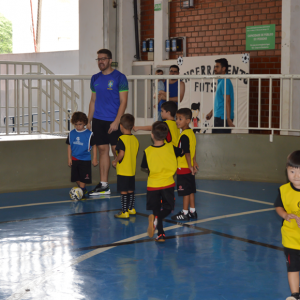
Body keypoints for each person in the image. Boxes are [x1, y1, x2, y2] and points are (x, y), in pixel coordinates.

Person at [87, 49, 128, 196]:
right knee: (103, 150)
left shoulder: (120, 77)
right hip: (98, 120)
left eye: (103, 59)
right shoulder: (95, 78)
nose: (100, 62)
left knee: (117, 150)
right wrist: (89, 120)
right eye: (98, 59)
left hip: (113, 120)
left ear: (110, 60)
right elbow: (93, 101)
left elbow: (124, 101)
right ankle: (104, 185)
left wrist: (117, 121)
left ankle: (125, 182)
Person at [141, 121, 184, 242]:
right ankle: (159, 227)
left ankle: (160, 231)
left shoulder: (148, 151)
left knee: (156, 208)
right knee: (168, 207)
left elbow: (144, 167)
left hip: (153, 185)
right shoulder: (171, 148)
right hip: (167, 184)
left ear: (152, 135)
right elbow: (181, 152)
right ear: (166, 135)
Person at [275, 150, 300, 300]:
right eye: (292, 171)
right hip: (290, 238)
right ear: (287, 170)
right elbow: (279, 206)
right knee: (293, 268)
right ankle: (295, 295)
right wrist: (285, 215)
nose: (296, 176)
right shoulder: (284, 190)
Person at [171, 108, 199, 221]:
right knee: (191, 189)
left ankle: (185, 212)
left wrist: (190, 165)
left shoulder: (184, 136)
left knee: (185, 192)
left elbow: (187, 152)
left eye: (180, 119)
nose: (177, 121)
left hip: (184, 167)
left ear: (188, 120)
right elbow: (194, 150)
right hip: (189, 167)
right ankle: (192, 211)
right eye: (176, 118)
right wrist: (194, 162)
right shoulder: (191, 133)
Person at [112, 114, 139, 218]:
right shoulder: (135, 140)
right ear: (132, 126)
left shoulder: (121, 139)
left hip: (123, 170)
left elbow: (121, 153)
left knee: (123, 191)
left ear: (121, 126)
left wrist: (115, 161)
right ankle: (131, 208)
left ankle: (124, 211)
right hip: (132, 170)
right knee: (131, 190)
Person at [66, 112, 98, 199]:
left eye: (80, 124)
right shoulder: (71, 133)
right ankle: (82, 189)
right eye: (76, 124)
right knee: (76, 177)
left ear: (84, 123)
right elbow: (69, 146)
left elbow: (94, 145)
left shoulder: (89, 134)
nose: (78, 126)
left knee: (84, 177)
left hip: (85, 159)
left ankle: (82, 191)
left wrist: (95, 158)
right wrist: (69, 158)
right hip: (74, 158)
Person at [206, 58, 235, 133]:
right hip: (220, 117)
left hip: (222, 118)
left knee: (219, 142)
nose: (215, 69)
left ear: (224, 68)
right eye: (215, 67)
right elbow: (221, 101)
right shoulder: (221, 81)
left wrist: (228, 118)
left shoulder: (225, 81)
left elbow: (228, 100)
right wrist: (211, 112)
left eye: (217, 67)